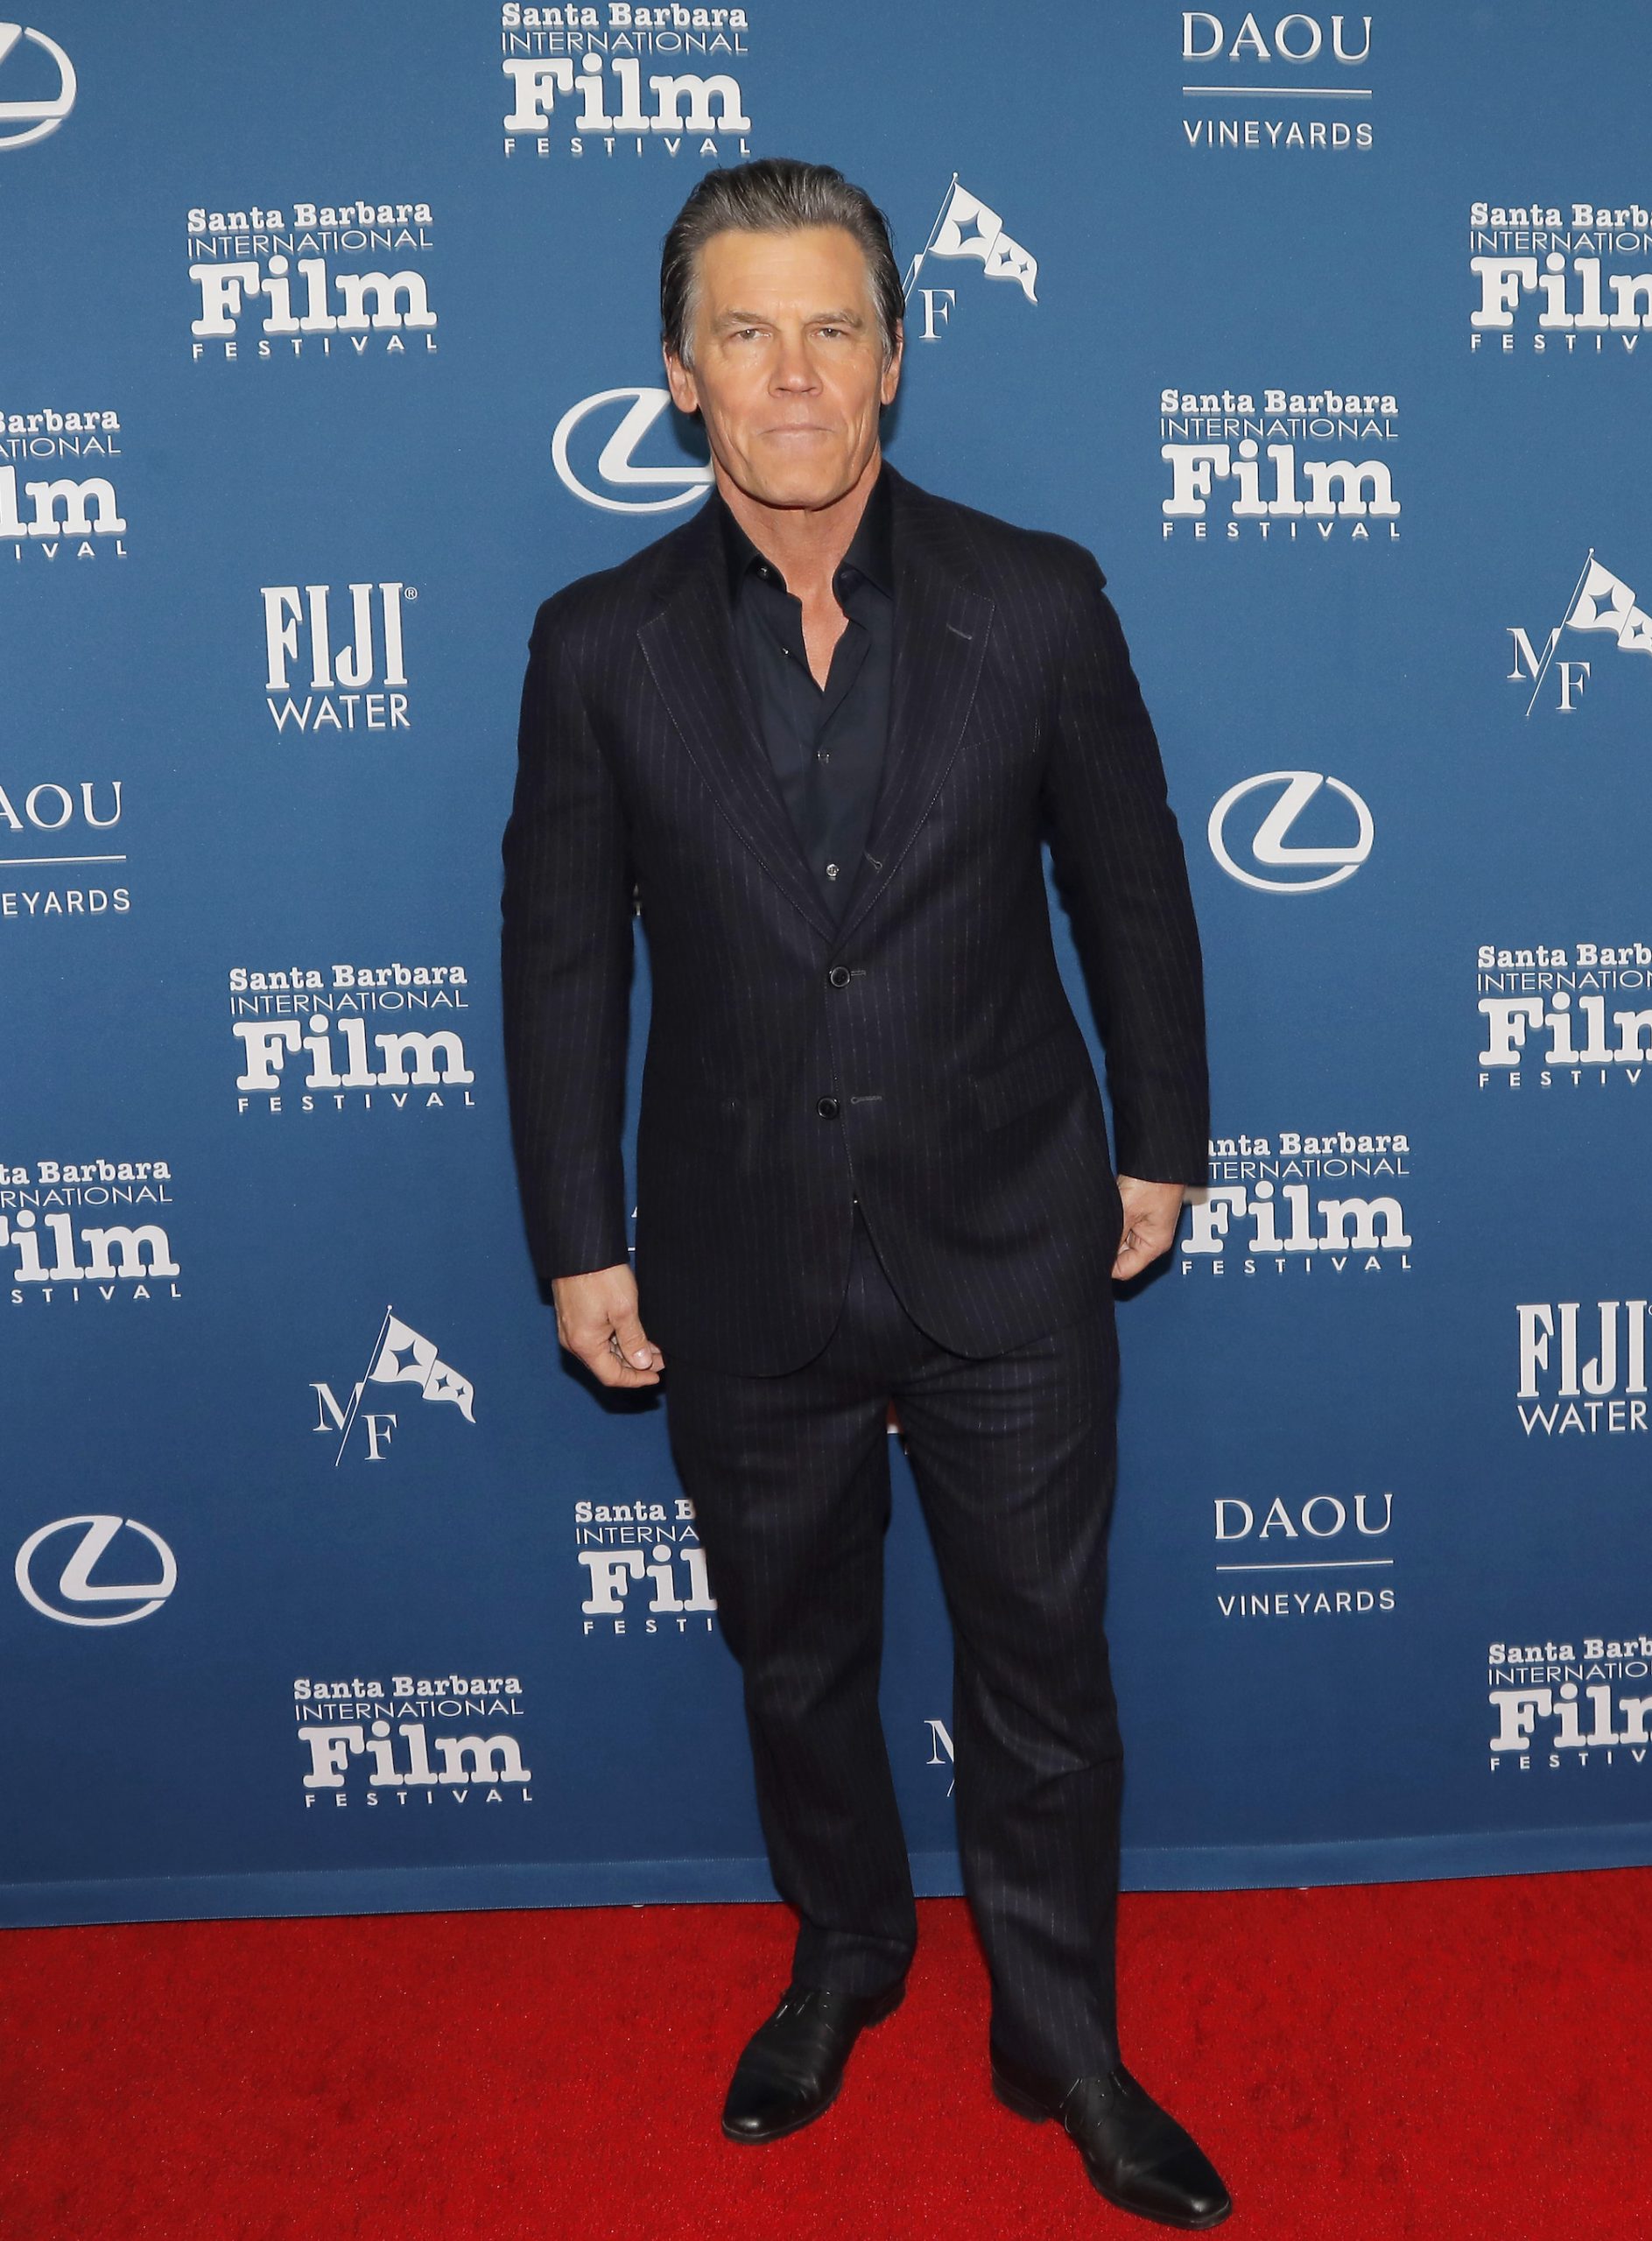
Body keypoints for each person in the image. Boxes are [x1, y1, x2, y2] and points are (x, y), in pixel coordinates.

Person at [501, 158, 1230, 2230]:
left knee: (1042, 1665)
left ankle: (1060, 2034)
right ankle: (844, 1948)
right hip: (735, 1252)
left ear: (894, 356)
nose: (793, 371)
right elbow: (558, 958)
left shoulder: (1037, 597)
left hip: (1008, 1227)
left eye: (831, 325)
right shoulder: (596, 644)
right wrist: (576, 1236)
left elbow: (1130, 886)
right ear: (679, 375)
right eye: (744, 332)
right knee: (794, 1658)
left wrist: (1162, 1136)